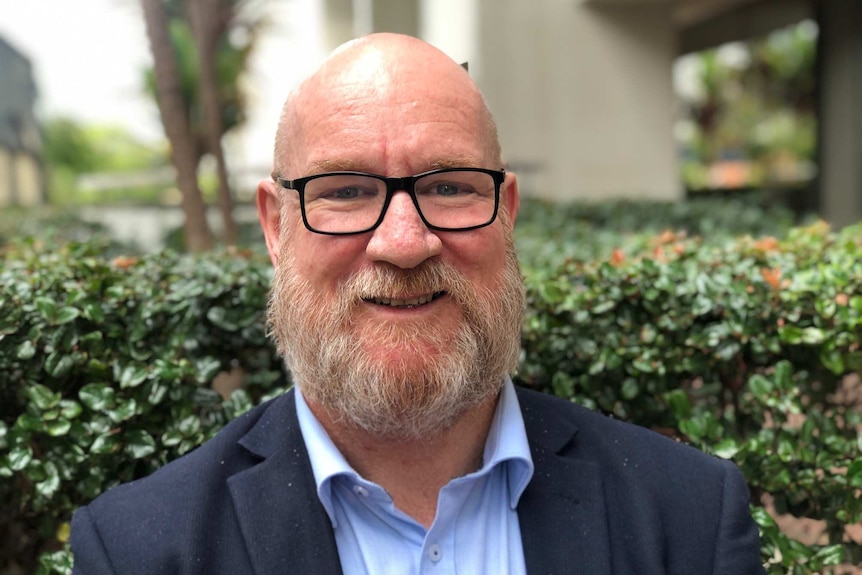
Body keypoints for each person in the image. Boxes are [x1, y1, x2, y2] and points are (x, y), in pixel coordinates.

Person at [70, 33, 764, 574]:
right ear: (276, 227)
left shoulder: (691, 518)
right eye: (344, 190)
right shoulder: (137, 549)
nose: (404, 242)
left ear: (507, 213)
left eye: (450, 187)